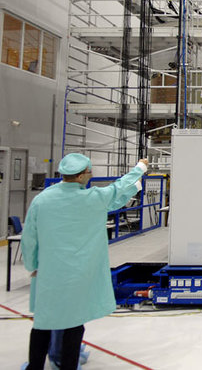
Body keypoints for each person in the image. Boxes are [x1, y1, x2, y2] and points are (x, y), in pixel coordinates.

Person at [20, 153, 148, 370]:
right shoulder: (92, 199)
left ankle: (35, 366)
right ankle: (68, 365)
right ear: (80, 176)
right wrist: (139, 170)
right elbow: (115, 190)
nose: (91, 175)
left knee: (43, 323)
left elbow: (29, 238)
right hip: (77, 275)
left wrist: (32, 266)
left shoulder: (42, 200)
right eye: (89, 172)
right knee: (73, 323)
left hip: (48, 275)